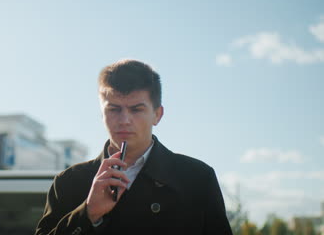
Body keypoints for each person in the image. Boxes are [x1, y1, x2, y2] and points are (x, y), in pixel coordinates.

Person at [35, 59, 232, 234]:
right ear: (101, 114)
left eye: (136, 109)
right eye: (114, 109)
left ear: (157, 115)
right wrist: (88, 213)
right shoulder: (68, 182)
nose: (124, 120)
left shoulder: (196, 178)